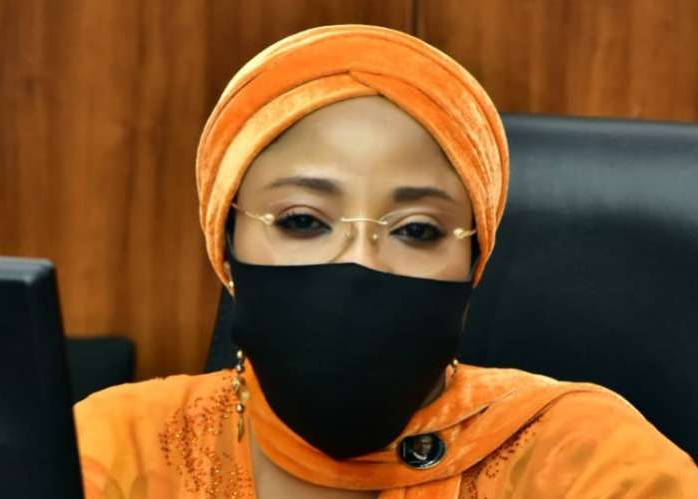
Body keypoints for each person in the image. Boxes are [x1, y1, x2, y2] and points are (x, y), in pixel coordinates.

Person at [75, 25, 698, 498]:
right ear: (227, 247)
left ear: (473, 263)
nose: (359, 263)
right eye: (303, 221)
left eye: (417, 230)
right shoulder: (115, 449)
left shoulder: (582, 458)